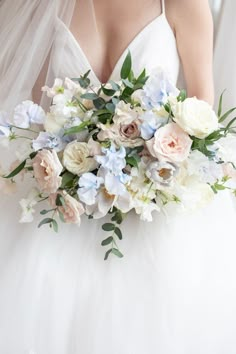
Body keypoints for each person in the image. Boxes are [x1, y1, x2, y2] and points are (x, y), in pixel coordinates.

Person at [0, 1, 235, 353]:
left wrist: (147, 166)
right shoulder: (47, 5)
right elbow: (39, 116)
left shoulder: (183, 4)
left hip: (154, 219)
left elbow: (201, 121)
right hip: (63, 214)